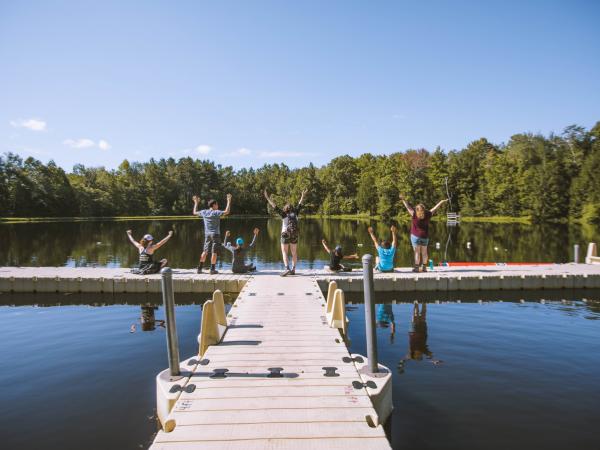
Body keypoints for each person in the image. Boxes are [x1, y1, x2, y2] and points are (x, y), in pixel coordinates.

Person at [264, 188, 308, 276]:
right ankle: (294, 269)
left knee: (284, 252)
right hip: (294, 235)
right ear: (292, 209)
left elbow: (274, 206)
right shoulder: (296, 213)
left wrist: (267, 198)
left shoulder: (283, 214)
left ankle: (287, 268)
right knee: (294, 252)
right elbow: (300, 203)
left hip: (285, 235)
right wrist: (303, 195)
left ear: (285, 209)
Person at [399, 194, 448, 272]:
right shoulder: (428, 214)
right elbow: (435, 208)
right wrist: (442, 202)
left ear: (417, 210)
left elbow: (407, 207)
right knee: (424, 252)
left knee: (417, 253)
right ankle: (424, 267)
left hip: (415, 236)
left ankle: (416, 268)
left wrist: (403, 199)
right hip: (425, 236)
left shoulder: (414, 214)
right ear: (424, 209)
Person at [193, 193, 232, 274]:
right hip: (215, 235)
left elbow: (194, 212)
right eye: (217, 204)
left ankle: (199, 268)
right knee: (214, 252)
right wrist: (228, 201)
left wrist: (196, 203)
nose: (217, 206)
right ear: (214, 205)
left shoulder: (204, 212)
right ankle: (212, 269)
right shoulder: (216, 212)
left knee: (205, 251)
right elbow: (227, 211)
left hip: (207, 235)